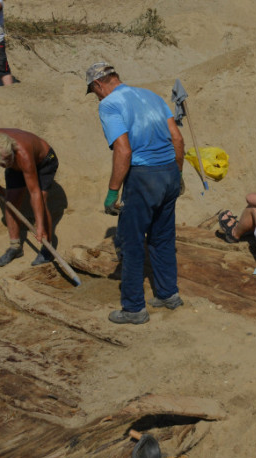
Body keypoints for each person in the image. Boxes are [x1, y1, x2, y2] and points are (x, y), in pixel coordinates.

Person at [86, 62, 186, 324]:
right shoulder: (152, 96)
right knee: (162, 237)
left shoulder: (109, 105)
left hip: (143, 177)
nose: (97, 97)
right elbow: (177, 139)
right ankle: (168, 294)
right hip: (169, 171)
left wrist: (112, 192)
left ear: (98, 84)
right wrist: (178, 174)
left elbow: (124, 150)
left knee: (131, 243)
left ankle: (133, 309)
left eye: (94, 92)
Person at [0, 129, 58, 267]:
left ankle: (47, 247)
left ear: (10, 150)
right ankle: (15, 247)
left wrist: (39, 226)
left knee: (41, 201)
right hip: (16, 160)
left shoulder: (23, 154)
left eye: (7, 160)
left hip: (44, 161)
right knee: (11, 202)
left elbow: (35, 193)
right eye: (2, 164)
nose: (5, 165)